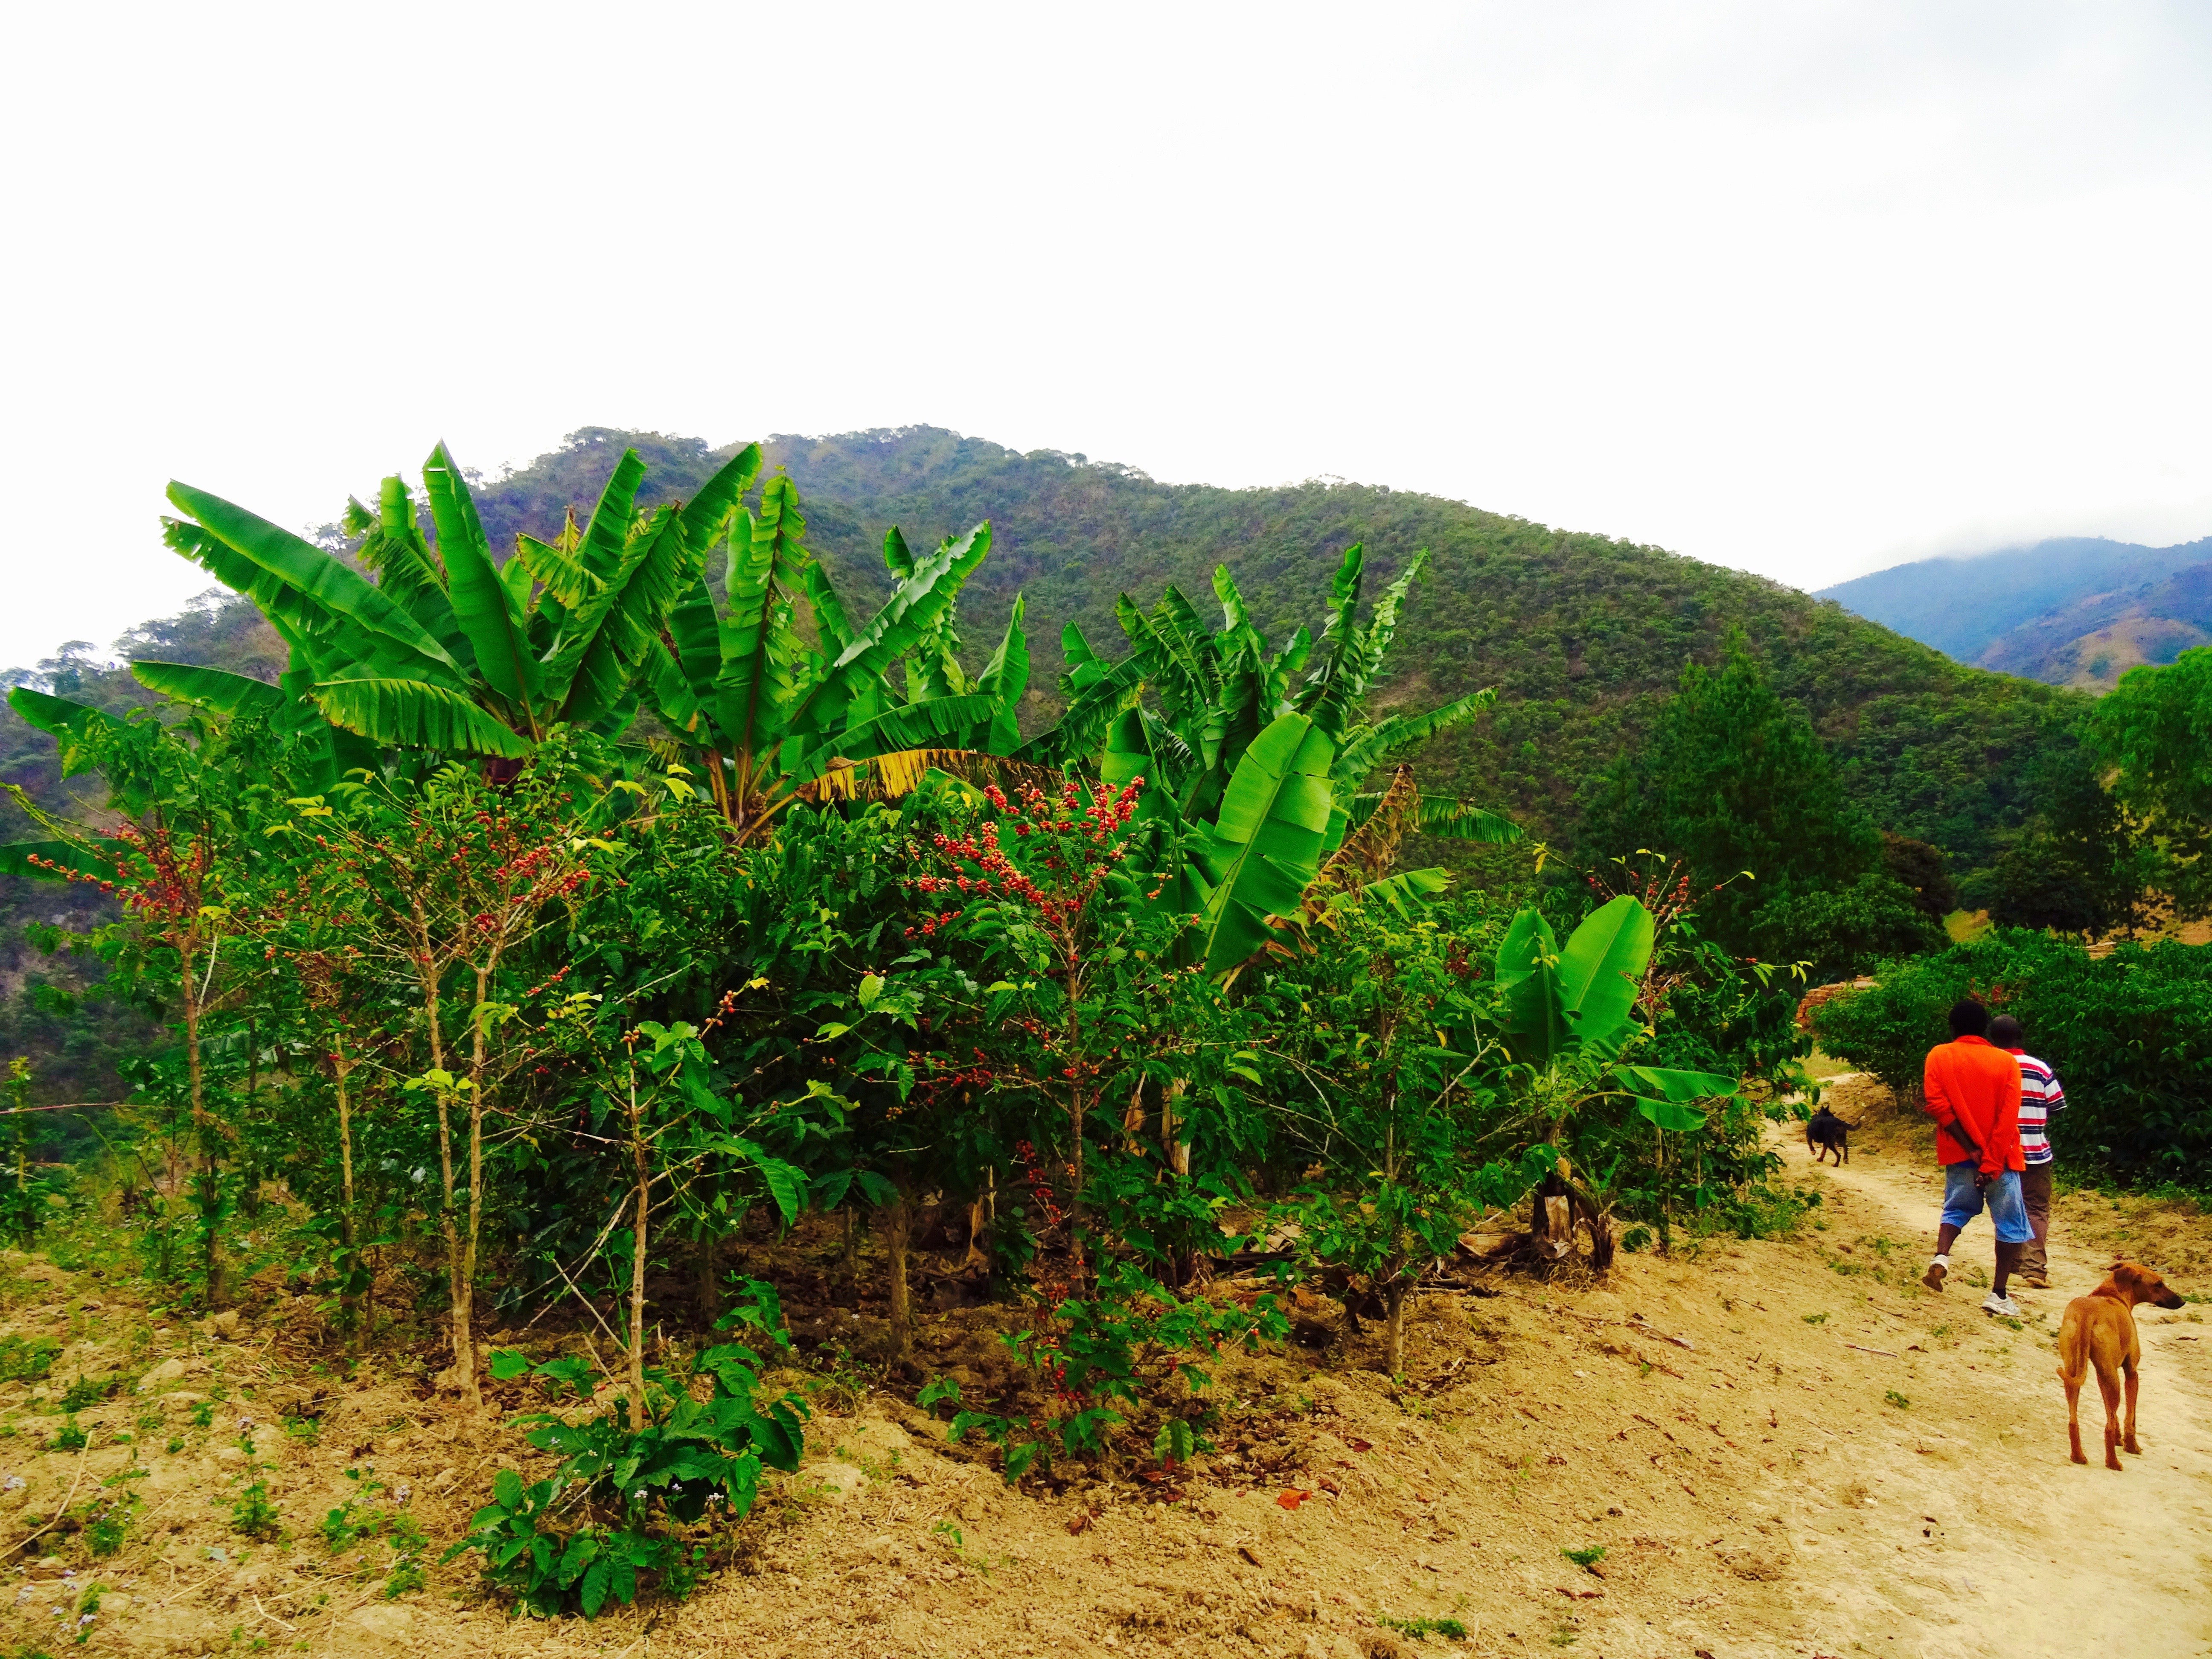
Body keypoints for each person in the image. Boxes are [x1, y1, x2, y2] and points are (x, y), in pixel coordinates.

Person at [1918, 998, 2029, 1317]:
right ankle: (1998, 1294)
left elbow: (1938, 1106)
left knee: (1955, 1209)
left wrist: (1971, 1151)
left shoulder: (1939, 1055)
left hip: (1959, 1154)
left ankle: (1941, 1256)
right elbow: (2008, 1118)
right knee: (2009, 1225)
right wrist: (1991, 1161)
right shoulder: (2007, 1063)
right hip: (2002, 1161)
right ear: (1986, 1030)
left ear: (1953, 1028)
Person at [1988, 1013, 2064, 1290]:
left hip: (2003, 1152)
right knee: (2037, 1207)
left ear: (1993, 1039)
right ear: (2021, 1037)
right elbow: (2058, 1105)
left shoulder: (1991, 1066)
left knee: (2008, 1206)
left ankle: (2016, 1262)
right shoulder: (2040, 1068)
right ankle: (2034, 1267)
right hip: (2037, 1151)